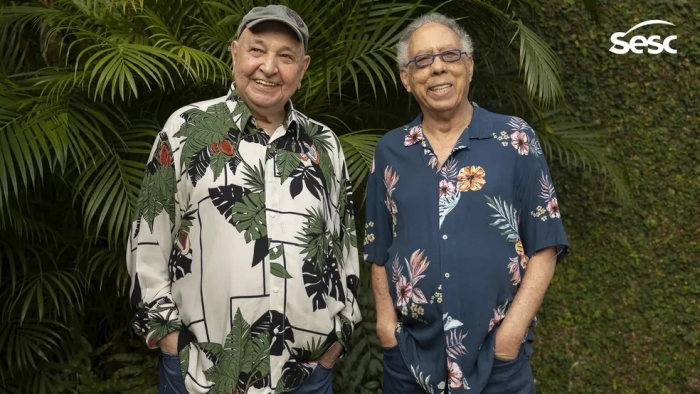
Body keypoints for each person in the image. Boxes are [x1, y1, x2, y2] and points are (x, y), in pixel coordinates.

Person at [126, 5, 361, 394]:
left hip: (305, 379)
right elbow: (148, 242)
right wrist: (170, 341)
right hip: (201, 376)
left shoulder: (324, 145)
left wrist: (335, 345)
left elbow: (344, 248)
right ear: (234, 53)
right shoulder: (186, 130)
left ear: (303, 68)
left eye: (286, 56)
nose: (269, 67)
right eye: (257, 50)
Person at [364, 13, 569, 394]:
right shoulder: (390, 150)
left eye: (450, 55)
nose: (438, 67)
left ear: (469, 66)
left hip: (498, 362)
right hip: (409, 362)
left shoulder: (515, 139)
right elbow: (379, 248)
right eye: (422, 60)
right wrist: (386, 328)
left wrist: (510, 335)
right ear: (407, 79)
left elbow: (546, 243)